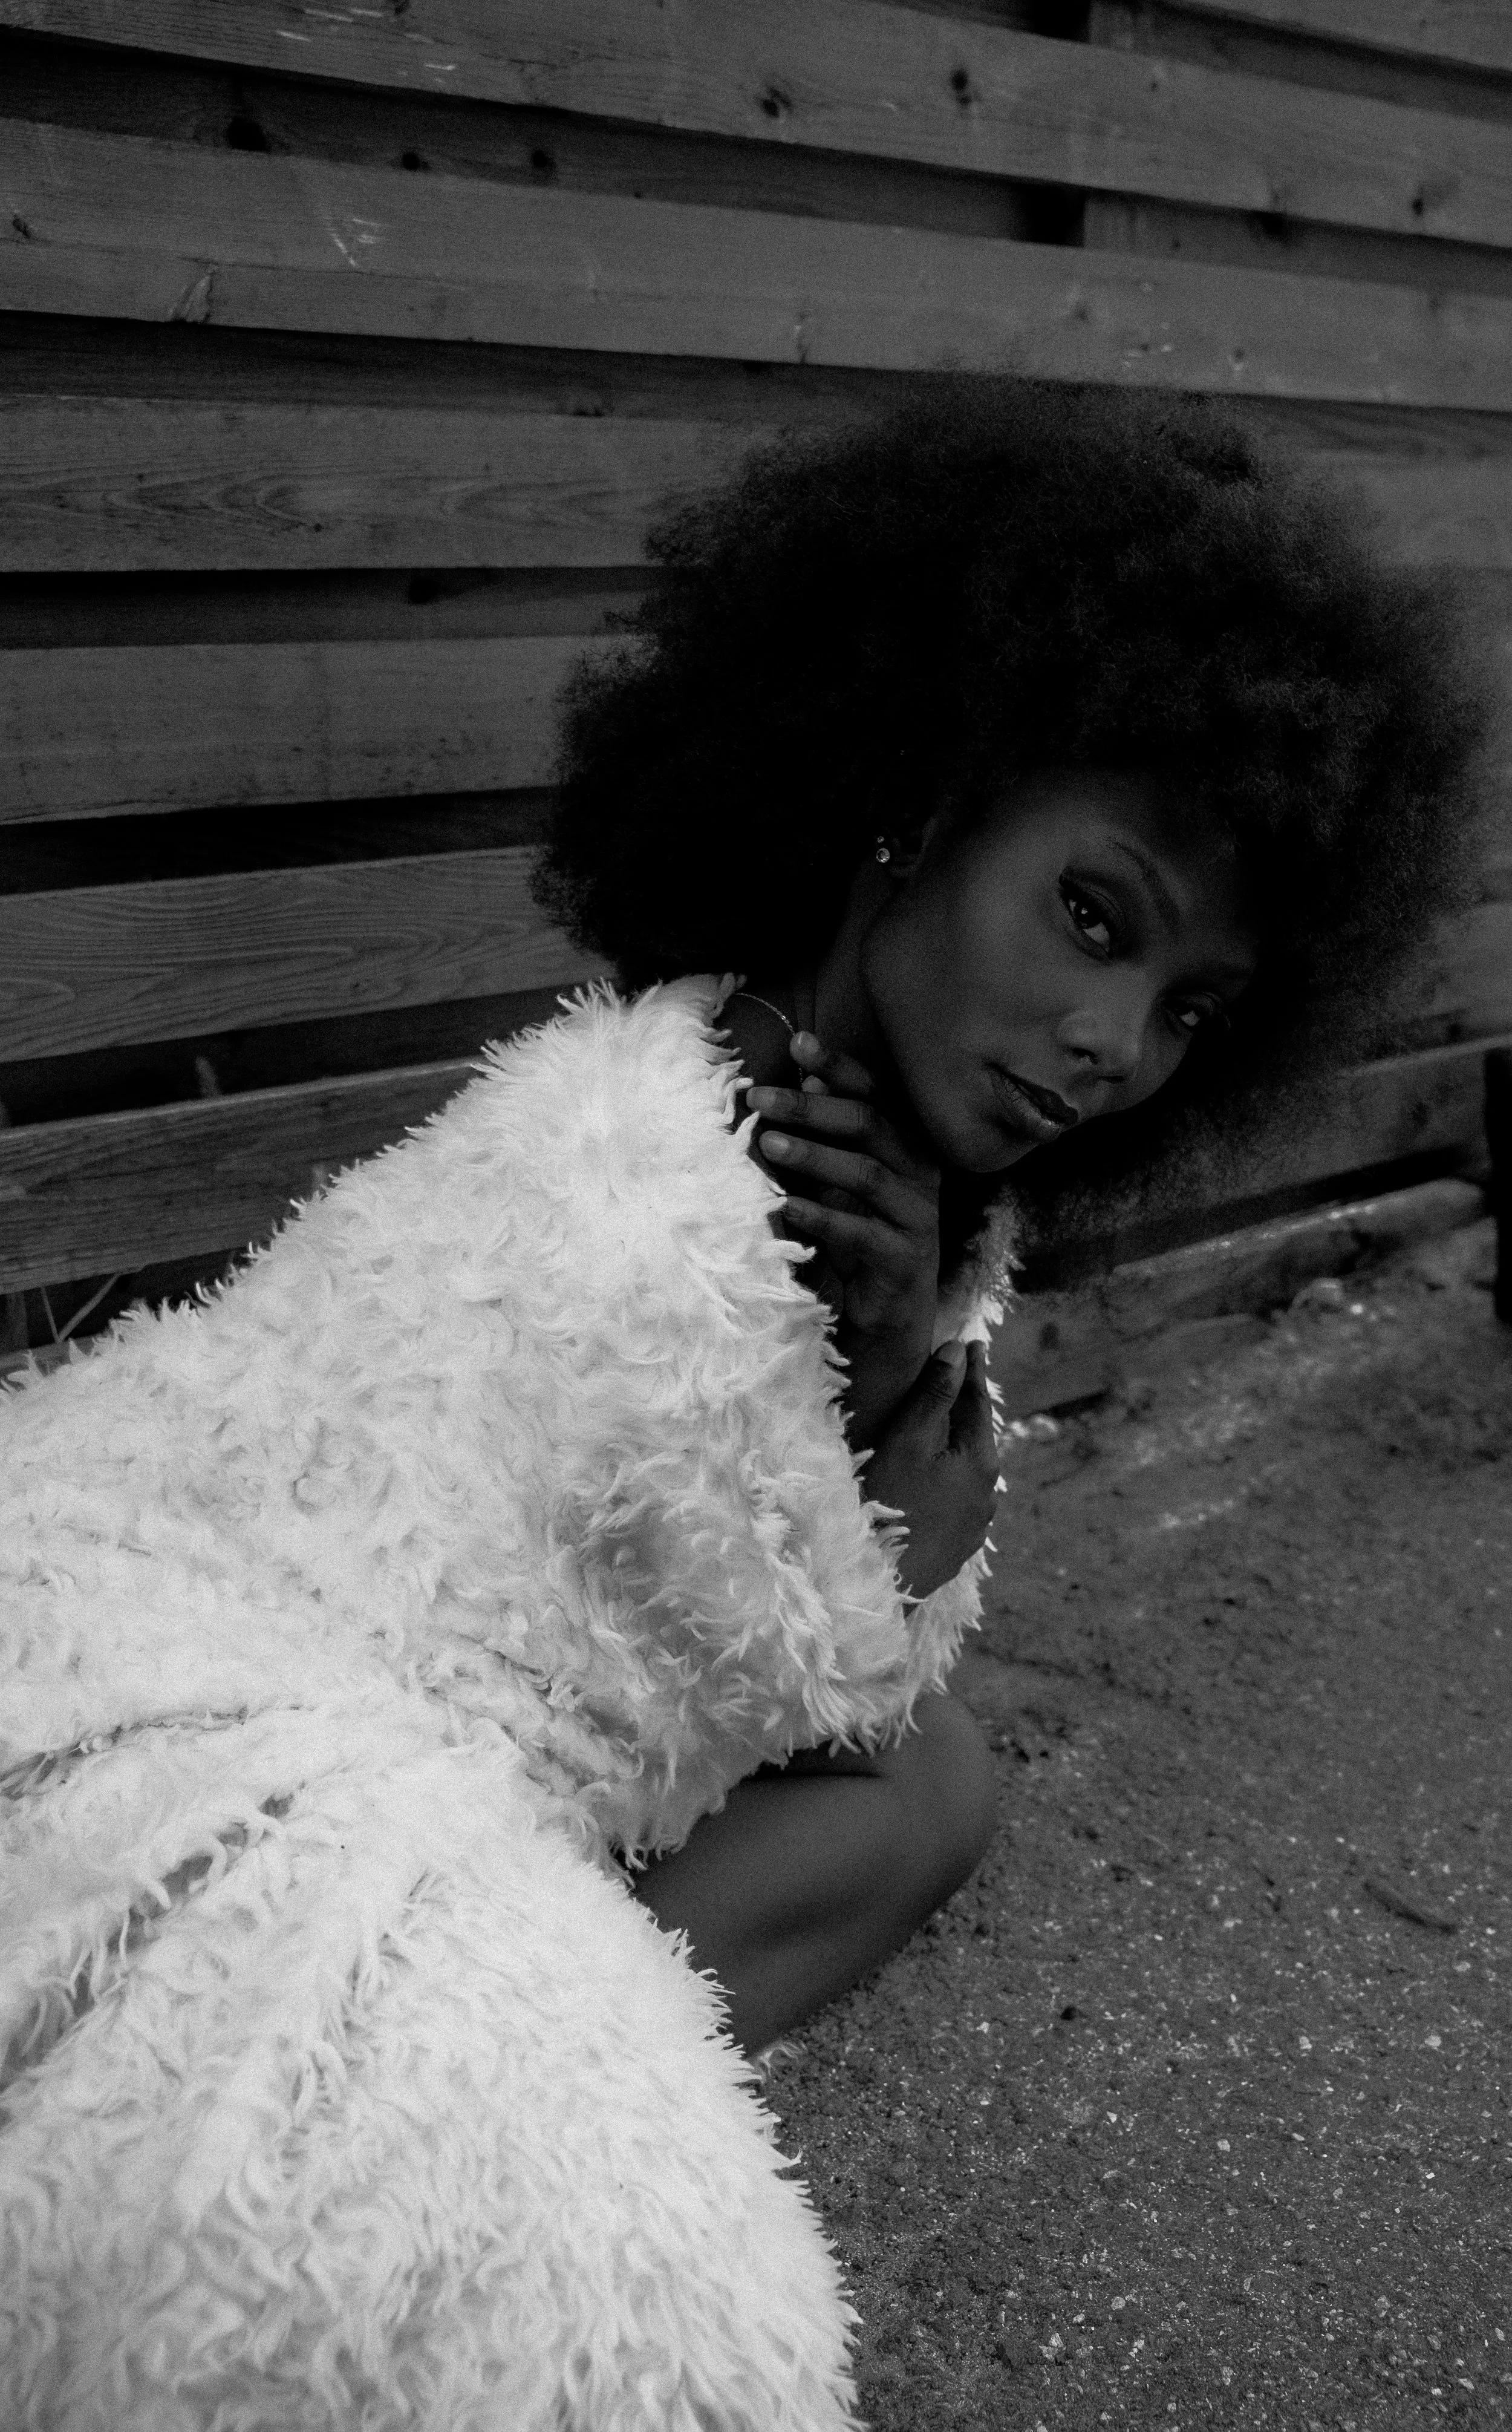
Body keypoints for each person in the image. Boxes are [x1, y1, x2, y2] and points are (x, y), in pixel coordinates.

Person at [531, 373, 1488, 2056]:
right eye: (1094, 919)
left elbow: (837, 1675)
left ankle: (514, 2092)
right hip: (352, 1718)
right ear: (912, 800)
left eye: (1191, 1009)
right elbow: (697, 1660)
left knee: (936, 1784)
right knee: (915, 1776)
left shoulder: (902, 1181)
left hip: (549, 1757)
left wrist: (900, 1347)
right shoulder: (644, 1144)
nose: (1115, 1050)